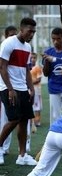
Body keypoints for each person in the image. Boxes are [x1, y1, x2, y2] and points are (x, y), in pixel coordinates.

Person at [0, 18, 37, 166]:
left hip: (23, 88)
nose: (32, 34)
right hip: (7, 87)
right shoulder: (8, 43)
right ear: (21, 29)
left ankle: (22, 156)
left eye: (34, 32)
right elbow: (2, 67)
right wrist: (10, 89)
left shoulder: (28, 47)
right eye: (30, 31)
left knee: (24, 120)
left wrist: (31, 88)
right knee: (14, 119)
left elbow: (27, 70)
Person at [1, 25, 18, 155]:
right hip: (3, 86)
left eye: (15, 34)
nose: (13, 37)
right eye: (11, 35)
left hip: (8, 87)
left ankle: (4, 148)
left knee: (8, 118)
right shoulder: (4, 48)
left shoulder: (16, 49)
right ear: (5, 35)